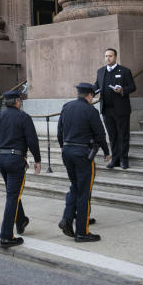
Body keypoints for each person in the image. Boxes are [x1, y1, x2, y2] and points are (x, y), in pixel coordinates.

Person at [0, 88, 41, 247]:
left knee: (12, 192)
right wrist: (37, 160)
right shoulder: (23, 117)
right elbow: (32, 140)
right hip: (16, 160)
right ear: (17, 102)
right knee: (12, 196)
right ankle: (6, 235)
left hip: (1, 159)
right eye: (20, 101)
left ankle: (21, 220)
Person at [56, 83, 110, 242]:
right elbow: (100, 134)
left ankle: (67, 219)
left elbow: (60, 131)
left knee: (75, 187)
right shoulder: (90, 110)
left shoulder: (66, 107)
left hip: (67, 151)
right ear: (90, 95)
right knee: (84, 192)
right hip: (82, 154)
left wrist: (63, 147)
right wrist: (106, 151)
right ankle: (82, 232)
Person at [95, 48, 136, 169]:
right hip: (106, 110)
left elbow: (132, 87)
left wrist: (122, 89)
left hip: (121, 109)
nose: (108, 58)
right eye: (106, 56)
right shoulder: (101, 71)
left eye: (110, 56)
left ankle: (124, 159)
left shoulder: (124, 71)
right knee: (112, 136)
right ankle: (115, 159)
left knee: (123, 135)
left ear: (115, 57)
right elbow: (97, 85)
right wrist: (91, 90)